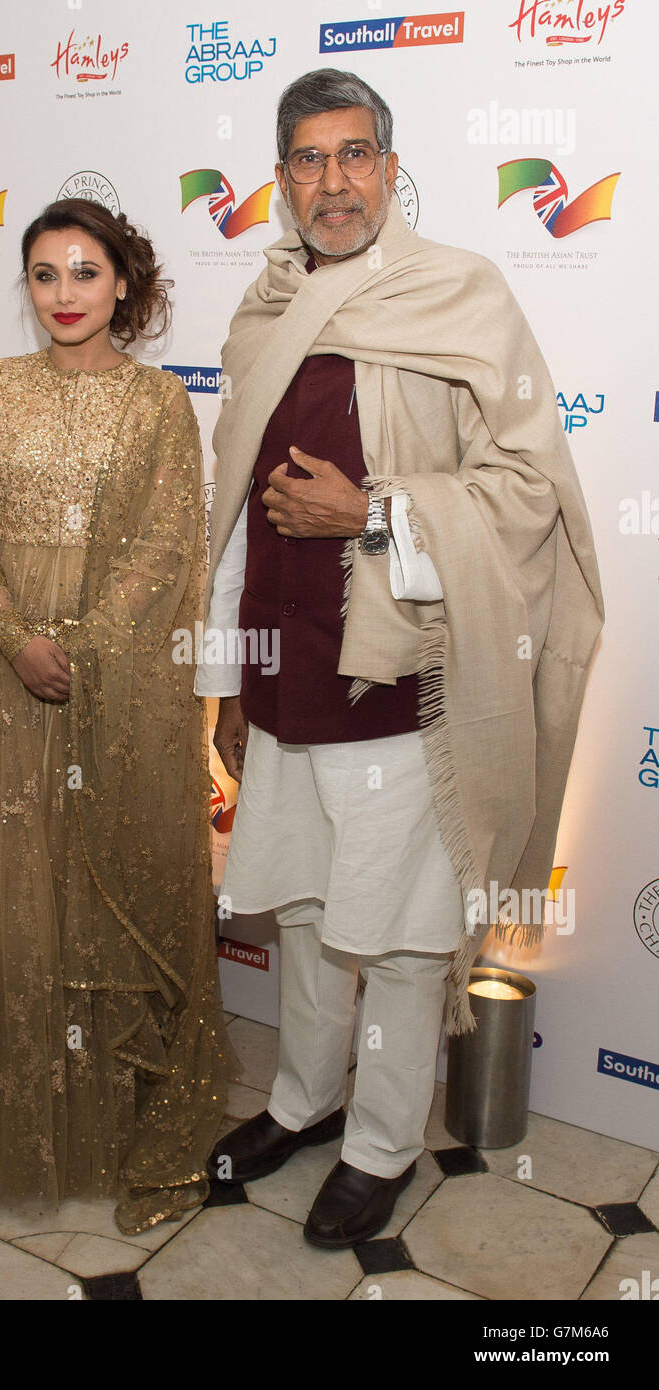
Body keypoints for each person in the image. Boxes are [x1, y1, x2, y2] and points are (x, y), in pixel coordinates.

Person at [197, 69, 603, 1248]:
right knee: (312, 915)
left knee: (409, 931)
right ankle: (302, 1103)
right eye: (309, 160)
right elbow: (229, 512)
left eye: (355, 154)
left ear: (389, 166)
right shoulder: (265, 309)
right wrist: (225, 676)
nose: (334, 182)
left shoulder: (457, 297)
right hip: (281, 677)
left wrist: (372, 511)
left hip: (398, 686)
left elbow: (527, 491)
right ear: (282, 181)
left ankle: (379, 1144)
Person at [0, 199, 238, 1235]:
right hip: (3, 671)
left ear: (123, 283)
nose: (64, 295)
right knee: (8, 875)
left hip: (114, 681)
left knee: (93, 868)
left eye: (84, 273)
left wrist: (78, 650)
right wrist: (13, 634)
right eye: (44, 275)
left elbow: (167, 545)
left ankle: (106, 1100)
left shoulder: (161, 401)